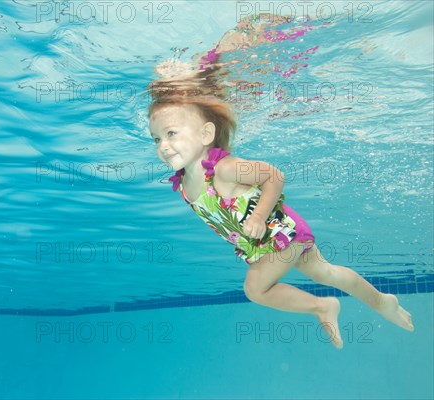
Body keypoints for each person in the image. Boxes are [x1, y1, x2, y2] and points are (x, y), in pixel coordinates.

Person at [147, 17, 414, 349]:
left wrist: (258, 217)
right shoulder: (186, 184)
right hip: (265, 246)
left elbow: (274, 176)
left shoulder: (224, 169)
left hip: (280, 235)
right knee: (326, 274)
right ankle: (380, 300)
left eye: (171, 134)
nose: (163, 145)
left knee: (255, 289)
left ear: (205, 134)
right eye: (156, 138)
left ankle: (321, 306)